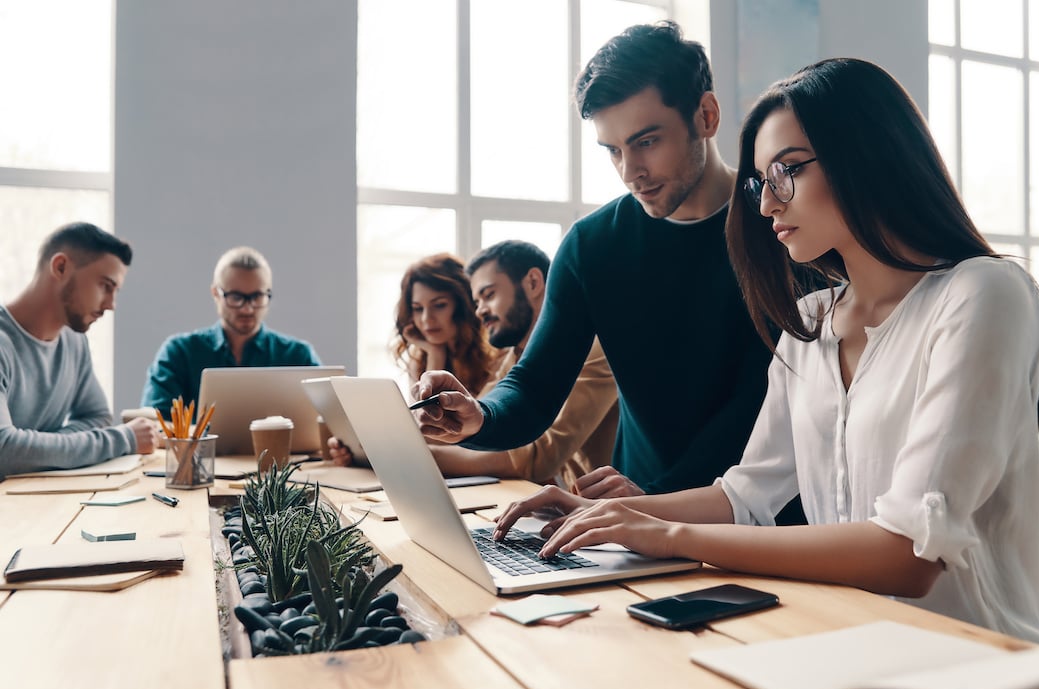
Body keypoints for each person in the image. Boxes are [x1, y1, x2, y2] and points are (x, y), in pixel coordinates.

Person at [486, 58, 1039, 643]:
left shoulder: (984, 293)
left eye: (789, 172)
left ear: (867, 153)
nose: (765, 205)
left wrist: (666, 535)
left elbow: (908, 554)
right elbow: (745, 494)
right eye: (761, 181)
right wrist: (610, 518)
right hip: (846, 642)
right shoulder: (811, 321)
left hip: (978, 661)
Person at [415, 22, 796, 513]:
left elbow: (765, 404)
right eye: (613, 150)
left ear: (706, 115)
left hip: (762, 523)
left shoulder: (783, 227)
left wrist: (659, 501)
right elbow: (535, 385)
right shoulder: (591, 246)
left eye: (647, 142)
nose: (629, 170)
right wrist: (478, 416)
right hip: (629, 518)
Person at [332, 240, 620, 492]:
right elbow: (465, 432)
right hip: (569, 504)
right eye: (477, 300)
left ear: (533, 283)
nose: (480, 309)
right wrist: (372, 442)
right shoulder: (513, 359)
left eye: (489, 294)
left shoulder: (590, 350)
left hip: (615, 511)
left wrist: (396, 456)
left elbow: (537, 458)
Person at [0, 222, 158, 476]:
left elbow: (96, 417)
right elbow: (5, 451)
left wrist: (36, 448)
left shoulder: (74, 342)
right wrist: (123, 439)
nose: (111, 305)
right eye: (105, 286)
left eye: (115, 291)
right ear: (60, 267)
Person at [141, 246, 320, 417]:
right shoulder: (178, 353)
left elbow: (330, 422)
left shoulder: (298, 356)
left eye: (257, 297)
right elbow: (155, 425)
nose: (247, 309)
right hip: (198, 450)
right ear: (216, 294)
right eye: (236, 297)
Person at [392, 252, 497, 397]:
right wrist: (435, 354)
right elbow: (423, 419)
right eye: (418, 308)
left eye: (439, 305)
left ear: (463, 305)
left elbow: (480, 417)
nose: (426, 319)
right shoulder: (419, 361)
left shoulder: (496, 359)